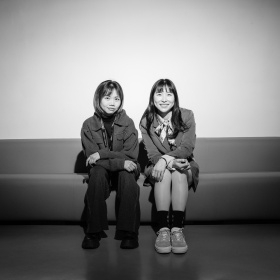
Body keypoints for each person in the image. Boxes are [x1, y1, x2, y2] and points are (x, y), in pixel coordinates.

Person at [139, 79, 199, 254]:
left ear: (175, 97)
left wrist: (166, 159)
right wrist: (166, 161)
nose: (164, 98)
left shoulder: (186, 115)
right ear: (153, 98)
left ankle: (177, 230)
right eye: (159, 93)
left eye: (169, 93)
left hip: (184, 163)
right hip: (157, 166)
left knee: (179, 172)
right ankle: (163, 229)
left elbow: (187, 148)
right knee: (165, 173)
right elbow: (152, 154)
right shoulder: (146, 121)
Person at [81, 80, 140, 250]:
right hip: (104, 169)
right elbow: (93, 159)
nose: (112, 103)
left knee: (127, 175)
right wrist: (115, 160)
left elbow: (131, 155)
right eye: (107, 98)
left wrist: (102, 154)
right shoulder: (88, 125)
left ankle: (129, 232)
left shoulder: (128, 122)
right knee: (97, 173)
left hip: (126, 168)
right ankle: (93, 232)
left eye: (117, 98)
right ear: (98, 99)